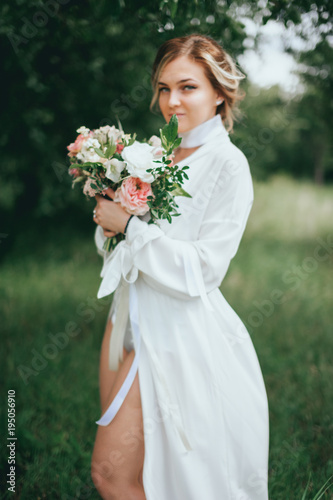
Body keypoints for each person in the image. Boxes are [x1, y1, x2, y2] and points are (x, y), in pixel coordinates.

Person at [91, 34, 269, 500]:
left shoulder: (228, 165)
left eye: (188, 87)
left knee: (110, 474)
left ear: (219, 92)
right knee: (145, 469)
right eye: (164, 88)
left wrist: (129, 227)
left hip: (178, 334)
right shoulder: (155, 156)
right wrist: (109, 223)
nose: (172, 101)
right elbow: (122, 247)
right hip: (127, 316)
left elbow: (204, 270)